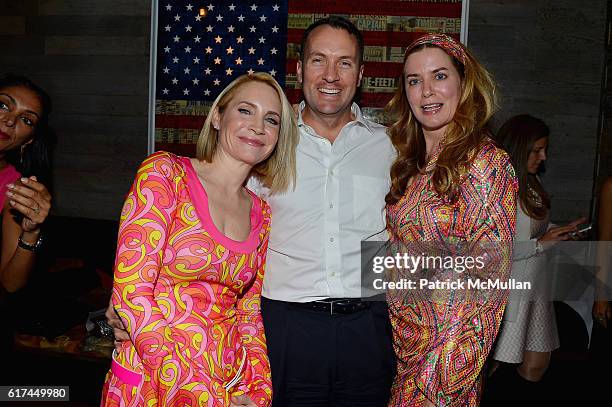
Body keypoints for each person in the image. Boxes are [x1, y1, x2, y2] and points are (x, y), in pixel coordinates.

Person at [107, 16, 397, 406]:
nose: (331, 74)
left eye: (344, 62)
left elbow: (408, 229)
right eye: (318, 60)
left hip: (367, 326)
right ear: (299, 69)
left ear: (360, 73)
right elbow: (163, 256)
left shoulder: (393, 148)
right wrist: (127, 303)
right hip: (287, 327)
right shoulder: (267, 147)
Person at [100, 72, 298, 407]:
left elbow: (247, 312)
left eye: (272, 120)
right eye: (245, 111)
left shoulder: (261, 213)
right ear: (218, 117)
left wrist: (259, 392)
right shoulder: (164, 174)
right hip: (153, 381)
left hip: (228, 384)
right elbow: (131, 296)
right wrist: (200, 396)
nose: (258, 126)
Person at [384, 34, 518, 405]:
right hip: (406, 348)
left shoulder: (485, 164)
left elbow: (487, 290)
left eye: (439, 76)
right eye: (414, 80)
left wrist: (444, 382)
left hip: (445, 361)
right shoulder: (412, 165)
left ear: (464, 83)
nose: (426, 91)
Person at [491, 114, 584, 390]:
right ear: (520, 148)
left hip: (536, 286)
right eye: (537, 150)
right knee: (497, 365)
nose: (543, 157)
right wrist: (541, 243)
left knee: (536, 366)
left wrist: (560, 230)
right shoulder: (499, 187)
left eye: (545, 149)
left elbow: (533, 228)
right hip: (510, 287)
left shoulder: (531, 184)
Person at [0, 74, 52, 294]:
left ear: (28, 141)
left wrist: (31, 232)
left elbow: (11, 283)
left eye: (26, 120)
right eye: (2, 105)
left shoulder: (16, 190)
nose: (10, 121)